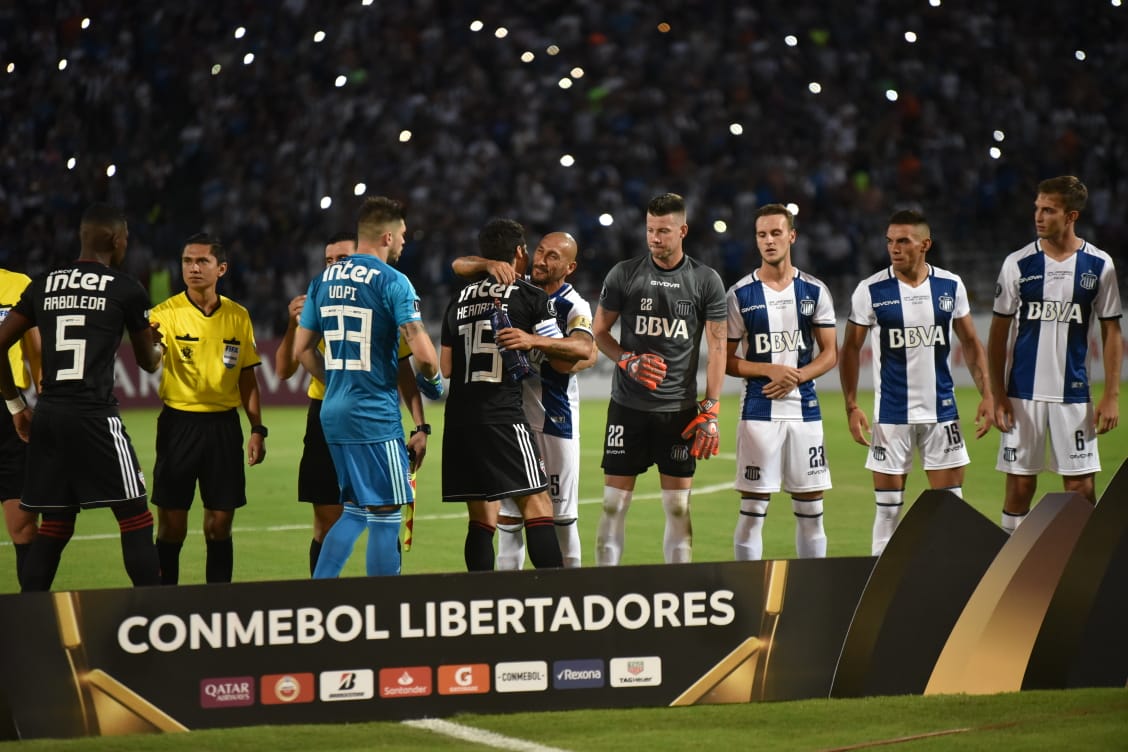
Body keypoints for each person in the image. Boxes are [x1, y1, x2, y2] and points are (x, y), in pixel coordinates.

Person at [0, 203, 162, 591]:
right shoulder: (125, 288)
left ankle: (30, 616)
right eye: (125, 240)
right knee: (135, 515)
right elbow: (147, 363)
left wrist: (17, 404)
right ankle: (158, 615)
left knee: (56, 522)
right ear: (116, 239)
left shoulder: (42, 284)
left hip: (49, 415)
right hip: (95, 416)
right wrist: (157, 347)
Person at [293, 197, 440, 578]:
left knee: (356, 509)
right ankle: (385, 606)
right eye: (403, 235)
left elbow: (302, 350)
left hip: (333, 413)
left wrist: (339, 380)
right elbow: (423, 355)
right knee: (388, 514)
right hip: (373, 415)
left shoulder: (321, 281)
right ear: (387, 236)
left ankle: (319, 594)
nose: (405, 242)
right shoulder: (393, 281)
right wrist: (435, 383)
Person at [839, 209, 993, 556]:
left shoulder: (950, 285)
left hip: (942, 414)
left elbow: (970, 342)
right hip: (891, 416)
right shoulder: (871, 290)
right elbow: (850, 348)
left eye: (903, 241)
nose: (894, 248)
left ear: (925, 244)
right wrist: (851, 405)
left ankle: (952, 582)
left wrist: (987, 394)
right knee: (888, 510)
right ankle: (878, 584)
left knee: (951, 510)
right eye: (890, 241)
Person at [441, 218, 590, 571]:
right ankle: (554, 597)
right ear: (521, 252)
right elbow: (566, 357)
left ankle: (485, 605)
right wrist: (531, 345)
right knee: (539, 507)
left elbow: (445, 368)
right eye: (537, 251)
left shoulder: (457, 298)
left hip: (459, 420)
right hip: (504, 415)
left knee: (481, 520)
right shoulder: (531, 297)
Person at [592, 192, 728, 566]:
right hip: (627, 408)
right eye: (651, 230)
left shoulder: (705, 280)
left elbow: (718, 349)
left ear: (682, 230)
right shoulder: (624, 273)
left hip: (679, 412)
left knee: (678, 508)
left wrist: (711, 410)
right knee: (612, 505)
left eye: (664, 231)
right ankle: (606, 586)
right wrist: (627, 361)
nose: (655, 238)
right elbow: (599, 331)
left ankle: (679, 589)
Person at [989, 176, 1122, 531]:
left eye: (1049, 210)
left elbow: (1112, 331)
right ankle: (1008, 572)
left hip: (1074, 395)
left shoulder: (1099, 265)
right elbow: (998, 335)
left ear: (1071, 215)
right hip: (1021, 395)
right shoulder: (1018, 264)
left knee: (1080, 488)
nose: (1039, 216)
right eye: (1037, 208)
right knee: (1019, 485)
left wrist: (1111, 395)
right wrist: (996, 395)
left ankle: (1082, 575)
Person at [150, 233, 266, 584]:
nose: (193, 268)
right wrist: (150, 346)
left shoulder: (238, 316)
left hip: (223, 428)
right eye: (187, 261)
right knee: (172, 526)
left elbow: (247, 378)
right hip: (178, 426)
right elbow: (151, 360)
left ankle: (218, 606)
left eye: (202, 262)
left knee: (219, 525)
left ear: (222, 268)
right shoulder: (164, 314)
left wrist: (257, 428)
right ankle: (163, 605)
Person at [725, 204, 837, 560]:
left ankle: (815, 589)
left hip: (805, 412)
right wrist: (767, 370)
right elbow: (725, 361)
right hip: (758, 413)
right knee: (752, 512)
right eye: (762, 235)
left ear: (792, 236)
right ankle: (752, 592)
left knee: (811, 514)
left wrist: (798, 376)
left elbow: (830, 353)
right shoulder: (740, 295)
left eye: (776, 233)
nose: (769, 241)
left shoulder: (815, 291)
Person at [0, 267, 41, 587]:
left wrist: (46, 400)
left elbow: (36, 350)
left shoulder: (18, 284)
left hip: (10, 413)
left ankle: (35, 616)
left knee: (24, 526)